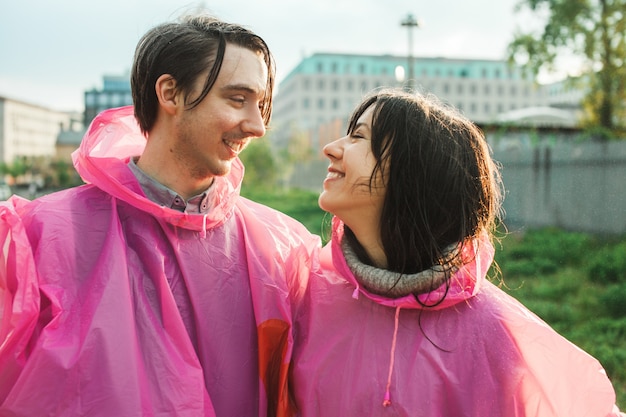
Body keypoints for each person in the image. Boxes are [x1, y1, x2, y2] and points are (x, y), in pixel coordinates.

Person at [0, 14, 319, 417]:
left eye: (261, 106)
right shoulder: (38, 237)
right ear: (170, 93)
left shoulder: (282, 247)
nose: (257, 126)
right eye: (238, 100)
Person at [290, 88, 624, 416]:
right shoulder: (306, 294)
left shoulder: (493, 335)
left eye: (358, 138)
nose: (330, 148)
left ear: (414, 172)